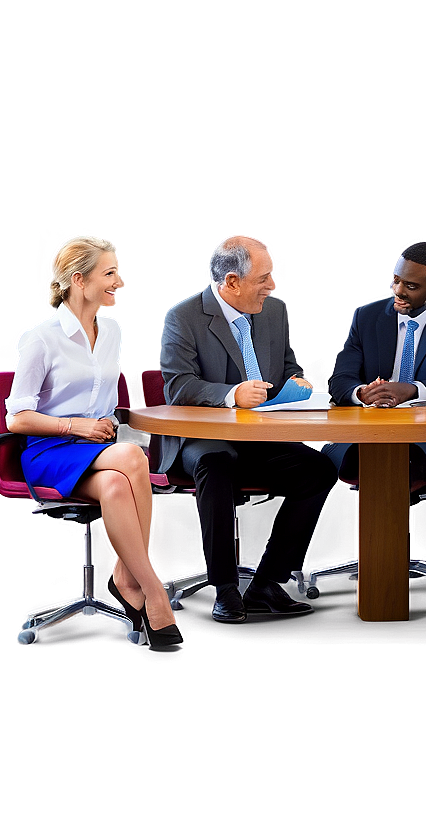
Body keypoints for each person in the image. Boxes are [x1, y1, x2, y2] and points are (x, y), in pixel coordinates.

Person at [6, 235, 182, 651]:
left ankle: (125, 577)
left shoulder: (114, 331)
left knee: (118, 483)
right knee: (133, 456)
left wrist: (99, 423)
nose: (119, 280)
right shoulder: (41, 339)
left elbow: (105, 402)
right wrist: (75, 427)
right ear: (78, 280)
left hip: (98, 450)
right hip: (49, 449)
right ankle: (153, 591)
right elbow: (16, 418)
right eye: (110, 273)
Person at [159, 235, 338, 623]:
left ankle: (267, 583)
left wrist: (298, 382)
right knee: (216, 462)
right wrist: (231, 394)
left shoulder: (274, 312)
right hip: (204, 441)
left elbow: (288, 364)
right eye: (264, 278)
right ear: (232, 282)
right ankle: (224, 588)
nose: (271, 287)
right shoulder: (183, 317)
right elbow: (178, 386)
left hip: (261, 437)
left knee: (319, 470)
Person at [325, 241, 426, 481]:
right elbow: (340, 380)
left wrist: (411, 390)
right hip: (367, 432)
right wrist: (362, 393)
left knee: (394, 465)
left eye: (411, 285)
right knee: (345, 462)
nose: (398, 291)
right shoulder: (366, 316)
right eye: (395, 280)